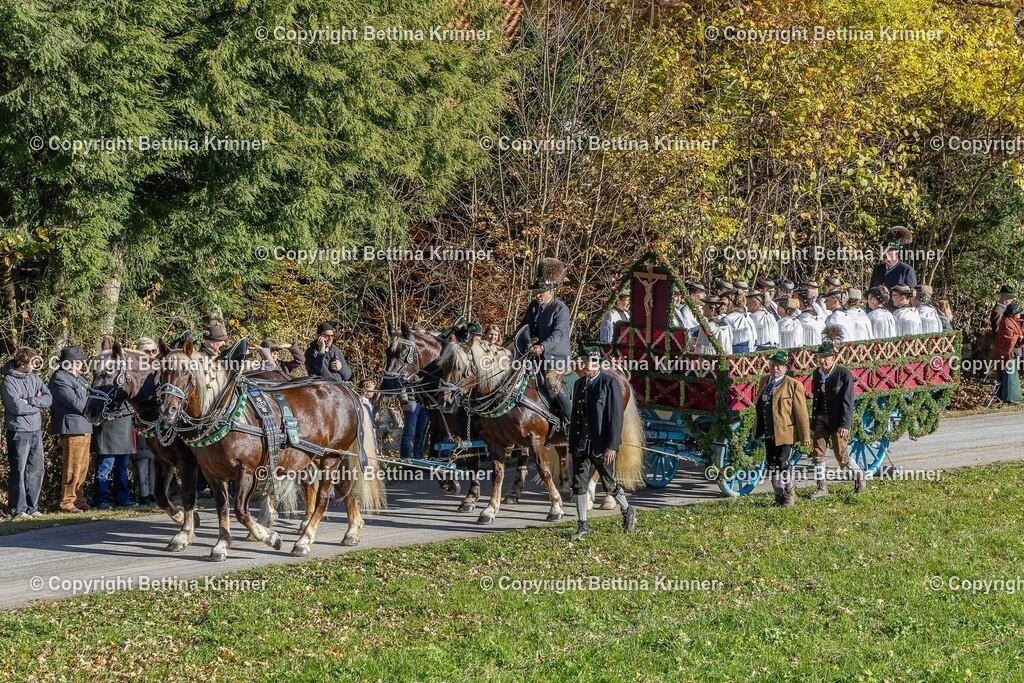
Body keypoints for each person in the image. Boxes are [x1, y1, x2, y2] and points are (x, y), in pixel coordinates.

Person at [568, 351, 636, 541]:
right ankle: (582, 525)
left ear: (598, 364)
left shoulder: (609, 383)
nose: (586, 365)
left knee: (609, 484)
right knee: (579, 485)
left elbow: (616, 416)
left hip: (602, 444)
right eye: (584, 361)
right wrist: (572, 445)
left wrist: (612, 446)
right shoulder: (578, 384)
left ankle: (627, 510)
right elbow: (575, 417)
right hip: (581, 444)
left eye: (590, 362)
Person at [752, 350, 810, 506]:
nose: (775, 368)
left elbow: (801, 413)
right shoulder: (764, 380)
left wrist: (805, 436)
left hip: (786, 433)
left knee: (783, 464)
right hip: (769, 432)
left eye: (778, 366)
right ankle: (778, 496)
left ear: (785, 368)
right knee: (772, 465)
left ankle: (790, 494)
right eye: (772, 365)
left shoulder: (794, 385)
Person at [521, 258, 573, 428]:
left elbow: (558, 334)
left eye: (541, 292)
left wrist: (542, 347)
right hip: (532, 354)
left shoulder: (561, 308)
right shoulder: (533, 306)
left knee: (551, 381)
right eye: (536, 291)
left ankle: (572, 421)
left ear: (551, 291)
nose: (538, 295)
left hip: (555, 357)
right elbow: (523, 328)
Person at [809, 342, 865, 498]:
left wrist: (845, 424)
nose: (822, 361)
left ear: (833, 358)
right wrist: (814, 421)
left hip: (838, 421)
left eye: (826, 357)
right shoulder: (817, 373)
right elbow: (816, 399)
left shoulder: (843, 374)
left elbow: (848, 401)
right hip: (821, 418)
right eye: (820, 357)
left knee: (841, 454)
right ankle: (822, 487)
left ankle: (859, 474)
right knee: (818, 452)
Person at [1, 347, 51, 519]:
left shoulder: (34, 378)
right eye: (32, 361)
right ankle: (18, 508)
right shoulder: (8, 381)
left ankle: (32, 507)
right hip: (18, 431)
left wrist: (30, 401)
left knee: (37, 469)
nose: (35, 364)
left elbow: (48, 398)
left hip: (36, 429)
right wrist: (37, 405)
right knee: (19, 470)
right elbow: (16, 407)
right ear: (22, 363)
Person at [48, 346, 94, 513]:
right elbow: (76, 403)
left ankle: (79, 499)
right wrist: (93, 406)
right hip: (72, 427)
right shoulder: (60, 378)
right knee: (72, 467)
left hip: (85, 426)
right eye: (78, 362)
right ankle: (67, 501)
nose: (81, 364)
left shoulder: (79, 378)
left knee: (82, 467)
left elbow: (91, 396)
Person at [93, 382, 137, 509]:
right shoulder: (103, 381)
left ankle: (122, 498)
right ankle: (101, 499)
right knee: (105, 468)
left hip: (125, 428)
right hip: (108, 429)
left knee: (122, 469)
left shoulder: (129, 382)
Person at [132, 339, 159, 505]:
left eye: (154, 351)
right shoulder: (134, 371)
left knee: (157, 459)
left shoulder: (159, 369)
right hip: (142, 418)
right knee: (143, 457)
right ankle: (143, 494)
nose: (152, 354)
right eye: (148, 351)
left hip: (159, 419)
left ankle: (155, 493)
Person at [870, 226, 918, 295]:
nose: (884, 253)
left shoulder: (906, 270)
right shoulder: (877, 269)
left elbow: (913, 294)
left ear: (896, 253)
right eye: (883, 250)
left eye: (888, 251)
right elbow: (871, 292)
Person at [993, 303, 1024, 404]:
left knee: (1012, 375)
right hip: (1008, 353)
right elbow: (1008, 338)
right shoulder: (1006, 322)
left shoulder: (1012, 321)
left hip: (1013, 352)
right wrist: (1018, 337)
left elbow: (1017, 332)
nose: (1019, 314)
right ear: (1013, 314)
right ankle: (1009, 397)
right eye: (1018, 313)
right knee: (1009, 375)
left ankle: (1013, 396)